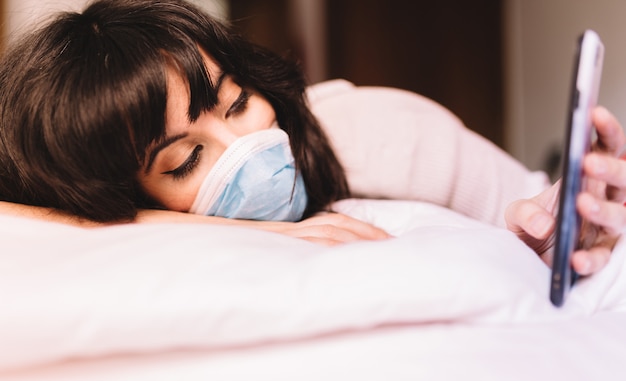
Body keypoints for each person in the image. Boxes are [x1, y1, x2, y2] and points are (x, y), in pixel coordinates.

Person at [0, 0, 623, 276]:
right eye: (187, 159)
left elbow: (538, 209)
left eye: (238, 101)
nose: (244, 142)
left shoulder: (383, 132)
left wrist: (573, 224)